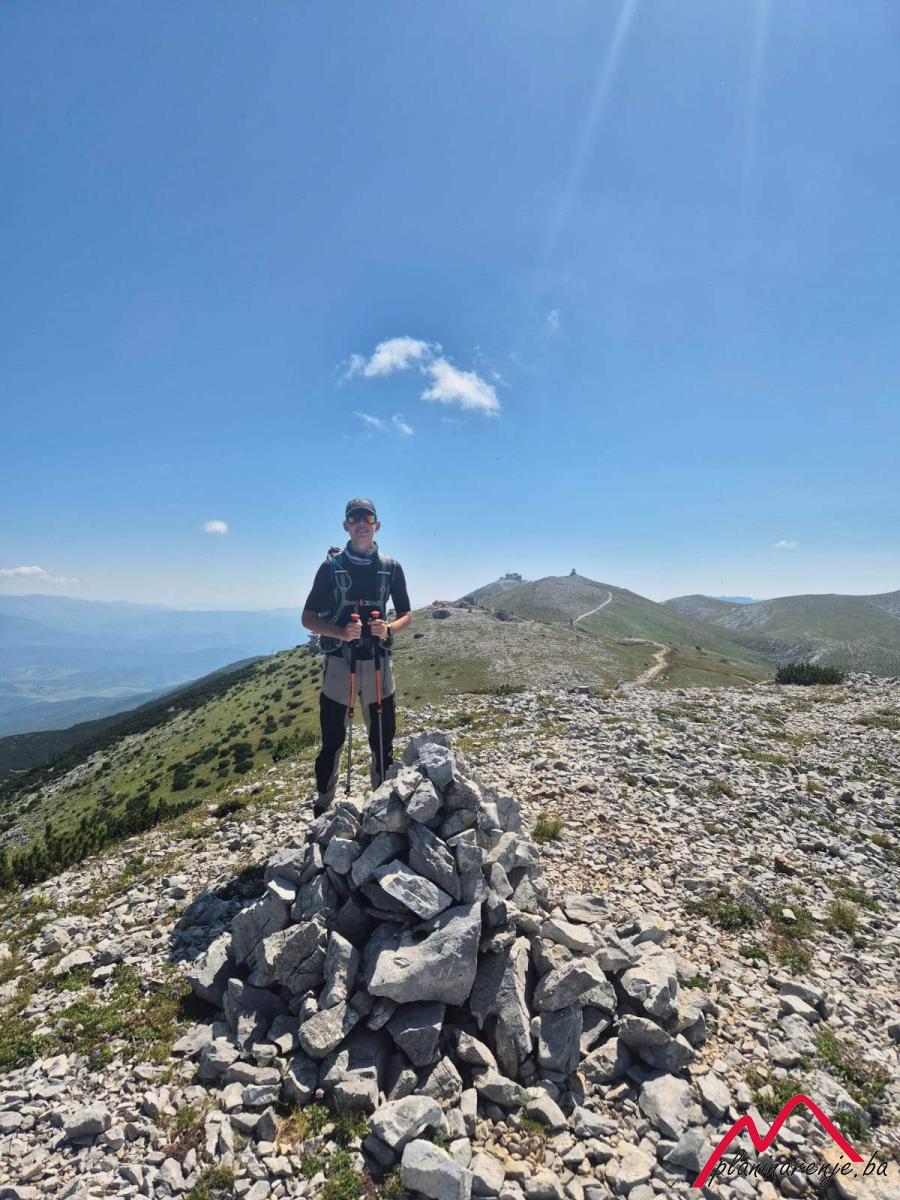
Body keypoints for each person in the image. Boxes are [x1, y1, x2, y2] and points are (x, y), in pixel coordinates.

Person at [301, 498, 412, 813]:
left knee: (382, 739)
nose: (361, 523)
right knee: (332, 739)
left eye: (368, 518)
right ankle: (323, 805)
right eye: (355, 518)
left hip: (377, 661)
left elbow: (406, 614)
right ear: (346, 525)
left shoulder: (392, 568)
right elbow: (307, 618)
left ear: (377, 524)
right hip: (341, 662)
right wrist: (340, 633)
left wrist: (387, 629)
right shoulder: (330, 568)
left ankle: (384, 806)